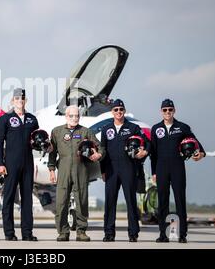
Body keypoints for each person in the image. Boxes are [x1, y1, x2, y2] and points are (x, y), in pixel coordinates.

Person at [150, 99, 205, 243]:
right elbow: (153, 154)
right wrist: (154, 172)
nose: (167, 112)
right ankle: (163, 234)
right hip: (161, 168)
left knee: (180, 200)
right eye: (165, 110)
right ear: (161, 112)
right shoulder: (156, 129)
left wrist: (201, 154)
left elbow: (196, 142)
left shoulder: (182, 127)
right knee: (163, 202)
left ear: (174, 110)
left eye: (170, 109)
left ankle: (182, 235)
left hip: (177, 167)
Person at [48, 105, 104, 242]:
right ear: (66, 116)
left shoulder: (86, 132)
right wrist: (51, 170)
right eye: (71, 116)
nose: (74, 118)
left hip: (81, 169)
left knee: (82, 200)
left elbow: (100, 146)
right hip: (63, 169)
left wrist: (99, 154)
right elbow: (52, 153)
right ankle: (63, 232)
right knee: (61, 202)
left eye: (77, 116)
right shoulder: (57, 132)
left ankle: (81, 231)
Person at [100, 99, 150, 242]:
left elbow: (147, 142)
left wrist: (144, 152)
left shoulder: (133, 128)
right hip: (110, 169)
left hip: (128, 168)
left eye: (121, 110)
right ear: (112, 112)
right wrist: (102, 170)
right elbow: (102, 151)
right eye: (116, 110)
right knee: (110, 202)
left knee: (130, 201)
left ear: (124, 111)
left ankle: (133, 233)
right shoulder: (106, 129)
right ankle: (109, 233)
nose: (118, 112)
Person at [0, 88, 39, 241]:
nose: (20, 101)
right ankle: (9, 233)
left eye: (22, 99)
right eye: (17, 99)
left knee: (27, 199)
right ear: (12, 101)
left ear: (25, 101)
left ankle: (27, 233)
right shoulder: (5, 119)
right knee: (8, 198)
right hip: (10, 164)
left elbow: (37, 140)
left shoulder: (32, 119)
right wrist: (0, 163)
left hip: (28, 163)